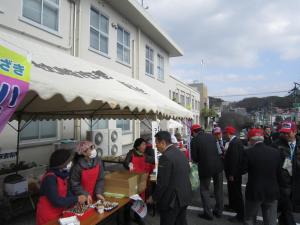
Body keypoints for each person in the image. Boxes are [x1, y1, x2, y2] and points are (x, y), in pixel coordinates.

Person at [147, 131, 192, 225]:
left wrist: (154, 197)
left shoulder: (165, 157)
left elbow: (162, 183)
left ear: (163, 143)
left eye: (156, 143)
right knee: (181, 222)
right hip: (185, 195)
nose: (155, 146)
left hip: (172, 200)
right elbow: (187, 170)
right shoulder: (179, 152)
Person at [36, 149, 86, 225]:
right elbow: (56, 201)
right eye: (69, 162)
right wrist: (77, 198)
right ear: (62, 164)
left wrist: (77, 201)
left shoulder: (62, 175)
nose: (71, 163)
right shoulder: (50, 178)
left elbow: (67, 193)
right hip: (48, 216)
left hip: (60, 212)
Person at [243, 128, 282, 225]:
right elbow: (279, 173)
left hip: (254, 191)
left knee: (250, 218)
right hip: (272, 190)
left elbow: (242, 170)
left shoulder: (248, 152)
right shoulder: (275, 152)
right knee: (270, 220)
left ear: (251, 140)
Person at [191, 124, 224, 220]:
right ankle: (219, 211)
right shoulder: (212, 137)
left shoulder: (195, 140)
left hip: (205, 168)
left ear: (194, 132)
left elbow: (195, 158)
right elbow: (219, 151)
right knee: (218, 189)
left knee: (204, 190)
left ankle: (208, 214)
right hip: (218, 166)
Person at [272, 121, 300, 225]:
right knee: (287, 208)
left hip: (297, 182)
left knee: (287, 209)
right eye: (283, 132)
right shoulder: (276, 145)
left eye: (288, 132)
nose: (285, 135)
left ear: (295, 132)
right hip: (283, 182)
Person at [123, 138, 154, 225]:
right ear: (138, 146)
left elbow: (152, 160)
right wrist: (128, 164)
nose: (145, 146)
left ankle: (137, 218)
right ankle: (127, 219)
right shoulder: (131, 153)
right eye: (143, 145)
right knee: (129, 200)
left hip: (141, 181)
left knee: (140, 200)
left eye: (145, 144)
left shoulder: (144, 155)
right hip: (132, 180)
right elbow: (125, 162)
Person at [223, 126, 245, 222]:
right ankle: (232, 205)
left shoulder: (234, 143)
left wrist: (232, 173)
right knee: (231, 190)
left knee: (236, 193)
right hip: (234, 172)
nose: (224, 135)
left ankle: (240, 215)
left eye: (225, 133)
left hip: (234, 173)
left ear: (228, 133)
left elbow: (234, 160)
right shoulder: (235, 142)